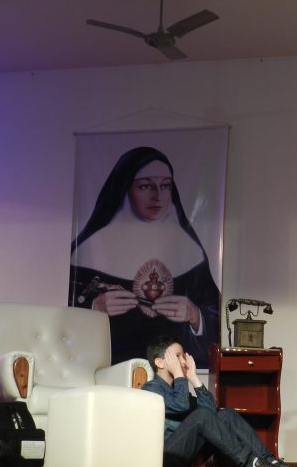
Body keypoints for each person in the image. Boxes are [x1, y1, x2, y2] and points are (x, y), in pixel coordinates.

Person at [69, 146, 220, 369]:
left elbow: (214, 311)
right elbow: (66, 320)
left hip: (170, 370)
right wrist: (94, 308)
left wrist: (195, 315)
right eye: (145, 186)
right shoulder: (90, 248)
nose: (158, 196)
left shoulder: (188, 248)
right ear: (125, 188)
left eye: (165, 186)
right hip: (110, 370)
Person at [141, 335, 297, 467]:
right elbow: (182, 406)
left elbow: (210, 412)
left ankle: (270, 462)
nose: (183, 361)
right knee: (202, 415)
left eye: (183, 356)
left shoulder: (179, 389)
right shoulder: (151, 389)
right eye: (177, 356)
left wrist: (193, 378)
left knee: (227, 414)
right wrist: (180, 375)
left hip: (184, 458)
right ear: (159, 362)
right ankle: (254, 466)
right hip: (165, 460)